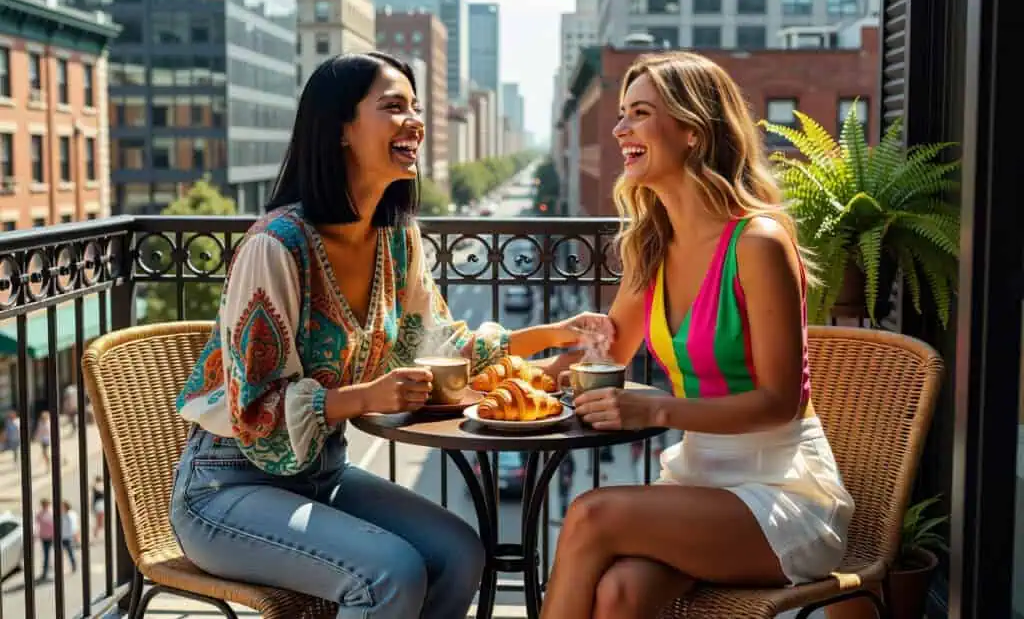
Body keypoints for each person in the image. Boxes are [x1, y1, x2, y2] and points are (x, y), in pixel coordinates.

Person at [169, 52, 613, 619]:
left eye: (416, 107)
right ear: (341, 131)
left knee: (459, 554)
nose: (415, 121)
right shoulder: (276, 247)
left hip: (319, 474)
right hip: (226, 490)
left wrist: (551, 337)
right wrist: (365, 398)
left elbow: (441, 345)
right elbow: (254, 411)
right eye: (393, 107)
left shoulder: (396, 241)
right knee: (391, 574)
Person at [541, 52, 855, 619]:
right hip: (700, 481)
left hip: (780, 490)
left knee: (589, 514)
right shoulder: (651, 244)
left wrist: (658, 413)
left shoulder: (758, 243)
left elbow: (780, 403)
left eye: (639, 113)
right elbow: (606, 352)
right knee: (619, 594)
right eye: (620, 114)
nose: (619, 130)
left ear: (691, 130)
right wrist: (503, 380)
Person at [35, 498, 54, 582]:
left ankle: (48, 569)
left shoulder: (51, 512)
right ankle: (45, 571)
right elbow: (37, 524)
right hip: (44, 537)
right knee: (46, 554)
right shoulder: (40, 513)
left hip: (52, 536)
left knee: (53, 554)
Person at [60, 500, 79, 573]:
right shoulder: (62, 514)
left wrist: (75, 535)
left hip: (68, 537)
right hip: (62, 536)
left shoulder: (70, 514)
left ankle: (73, 566)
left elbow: (74, 526)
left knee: (70, 552)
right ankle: (64, 567)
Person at [91, 475, 106, 540]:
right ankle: (95, 533)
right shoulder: (97, 486)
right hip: (99, 505)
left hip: (99, 505)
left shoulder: (97, 486)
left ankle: (96, 533)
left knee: (100, 522)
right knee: (99, 521)